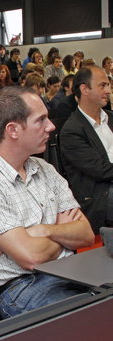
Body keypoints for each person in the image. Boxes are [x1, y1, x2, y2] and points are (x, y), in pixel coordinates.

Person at [0, 86, 94, 319]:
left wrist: (43, 230)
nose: (51, 126)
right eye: (40, 120)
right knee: (92, 318)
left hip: (70, 272)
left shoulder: (45, 170)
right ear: (13, 130)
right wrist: (62, 234)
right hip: (22, 288)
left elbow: (86, 234)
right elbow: (31, 258)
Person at [60, 66, 113, 233]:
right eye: (102, 85)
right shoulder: (72, 130)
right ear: (84, 89)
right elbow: (101, 170)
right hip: (98, 197)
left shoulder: (110, 118)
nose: (109, 90)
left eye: (109, 86)